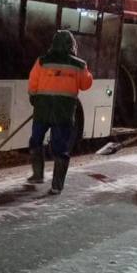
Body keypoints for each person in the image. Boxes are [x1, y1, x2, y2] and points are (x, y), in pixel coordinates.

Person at [27, 30, 93, 195]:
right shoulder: (79, 65)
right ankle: (57, 185)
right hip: (63, 112)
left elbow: (33, 81)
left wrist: (34, 97)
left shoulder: (42, 61)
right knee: (60, 147)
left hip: (43, 109)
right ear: (72, 45)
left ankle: (37, 175)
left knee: (36, 140)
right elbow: (86, 84)